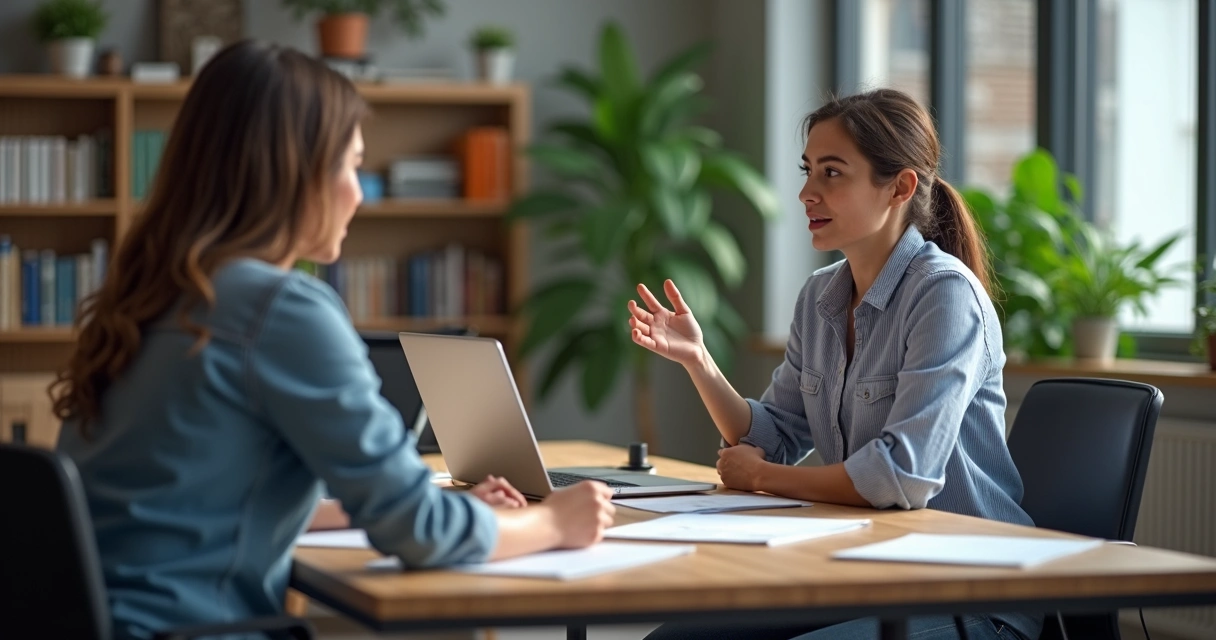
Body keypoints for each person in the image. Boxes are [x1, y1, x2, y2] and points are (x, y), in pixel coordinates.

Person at [52, 40, 614, 640]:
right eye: (350, 166)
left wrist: (452, 510)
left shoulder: (145, 297)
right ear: (295, 175)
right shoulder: (278, 308)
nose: (358, 193)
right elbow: (419, 533)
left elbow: (189, 509)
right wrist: (555, 522)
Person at [628, 89, 1042, 640]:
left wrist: (763, 477)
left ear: (899, 187)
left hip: (973, 592)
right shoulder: (820, 296)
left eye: (832, 173)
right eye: (808, 171)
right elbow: (775, 435)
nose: (807, 192)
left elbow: (902, 475)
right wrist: (698, 359)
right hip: (868, 573)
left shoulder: (945, 295)